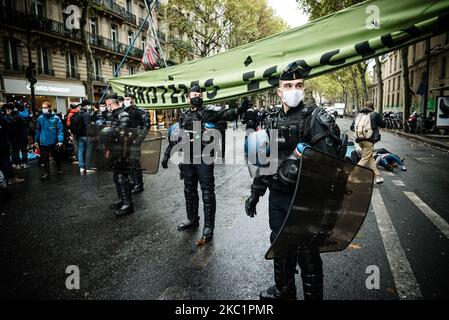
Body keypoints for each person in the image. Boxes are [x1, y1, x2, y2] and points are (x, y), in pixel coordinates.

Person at [244, 62, 343, 300]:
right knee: (280, 244)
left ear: (304, 88)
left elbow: (330, 166)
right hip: (277, 197)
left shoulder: (315, 119)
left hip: (305, 199)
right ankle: (284, 290)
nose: (294, 89)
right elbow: (262, 162)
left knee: (307, 252)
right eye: (288, 85)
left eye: (298, 85)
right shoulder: (269, 121)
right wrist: (255, 194)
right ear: (279, 91)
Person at [161, 85, 250, 243]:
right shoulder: (184, 115)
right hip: (188, 158)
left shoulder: (208, 112)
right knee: (189, 191)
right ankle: (192, 219)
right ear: (188, 98)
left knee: (207, 193)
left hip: (204, 158)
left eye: (200, 95)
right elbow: (177, 136)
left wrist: (238, 110)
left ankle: (209, 227)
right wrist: (167, 154)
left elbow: (224, 113)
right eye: (194, 94)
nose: (197, 97)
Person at [103, 93, 135, 217]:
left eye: (107, 104)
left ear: (109, 103)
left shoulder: (123, 116)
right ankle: (122, 199)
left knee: (122, 177)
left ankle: (128, 204)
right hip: (115, 151)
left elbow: (124, 136)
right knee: (117, 177)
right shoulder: (114, 115)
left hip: (123, 152)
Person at [351, 101, 386, 184]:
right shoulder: (374, 114)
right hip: (369, 140)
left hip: (360, 140)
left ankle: (377, 176)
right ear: (373, 107)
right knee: (364, 159)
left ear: (364, 106)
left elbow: (351, 127)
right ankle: (352, 176)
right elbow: (383, 125)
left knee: (370, 158)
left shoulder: (358, 115)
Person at [123, 91, 150, 194]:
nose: (126, 101)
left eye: (128, 99)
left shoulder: (140, 111)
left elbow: (146, 126)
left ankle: (138, 184)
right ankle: (132, 182)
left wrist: (139, 139)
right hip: (125, 141)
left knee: (135, 162)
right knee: (127, 163)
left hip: (135, 140)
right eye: (125, 99)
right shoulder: (124, 111)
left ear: (133, 100)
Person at [34, 101, 64, 181]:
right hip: (43, 142)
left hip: (53, 141)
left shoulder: (56, 118)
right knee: (45, 158)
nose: (44, 109)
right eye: (43, 107)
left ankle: (58, 167)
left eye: (45, 107)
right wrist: (36, 140)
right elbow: (38, 130)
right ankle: (46, 173)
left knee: (56, 156)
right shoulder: (40, 118)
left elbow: (60, 130)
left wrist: (60, 140)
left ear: (49, 108)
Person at [71, 99, 95, 173]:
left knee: (80, 151)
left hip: (79, 136)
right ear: (86, 105)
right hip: (87, 135)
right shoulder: (86, 114)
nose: (89, 107)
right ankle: (88, 167)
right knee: (88, 151)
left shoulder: (77, 113)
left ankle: (81, 167)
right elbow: (88, 126)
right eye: (89, 105)